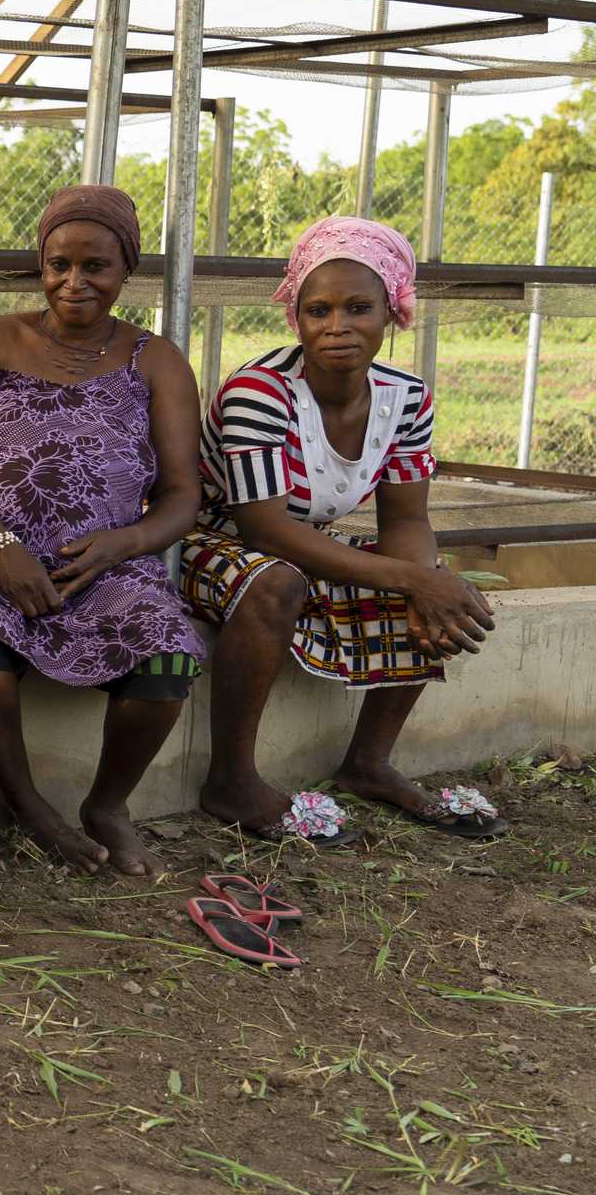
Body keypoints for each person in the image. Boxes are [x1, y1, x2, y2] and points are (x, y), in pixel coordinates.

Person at [0, 185, 206, 877]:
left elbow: (183, 495)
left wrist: (128, 541)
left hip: (103, 566)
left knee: (169, 654)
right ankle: (29, 808)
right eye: (58, 264)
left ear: (126, 271)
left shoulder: (158, 360)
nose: (74, 282)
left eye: (96, 267)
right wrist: (1, 548)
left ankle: (108, 806)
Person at [183, 216, 501, 842]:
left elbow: (407, 518)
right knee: (275, 581)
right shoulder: (261, 391)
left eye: (358, 308)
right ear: (295, 318)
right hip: (203, 540)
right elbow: (265, 531)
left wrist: (421, 582)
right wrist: (414, 578)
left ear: (392, 312)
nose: (337, 327)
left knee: (430, 582)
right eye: (317, 310)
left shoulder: (406, 398)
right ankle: (231, 781)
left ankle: (369, 764)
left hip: (296, 545)